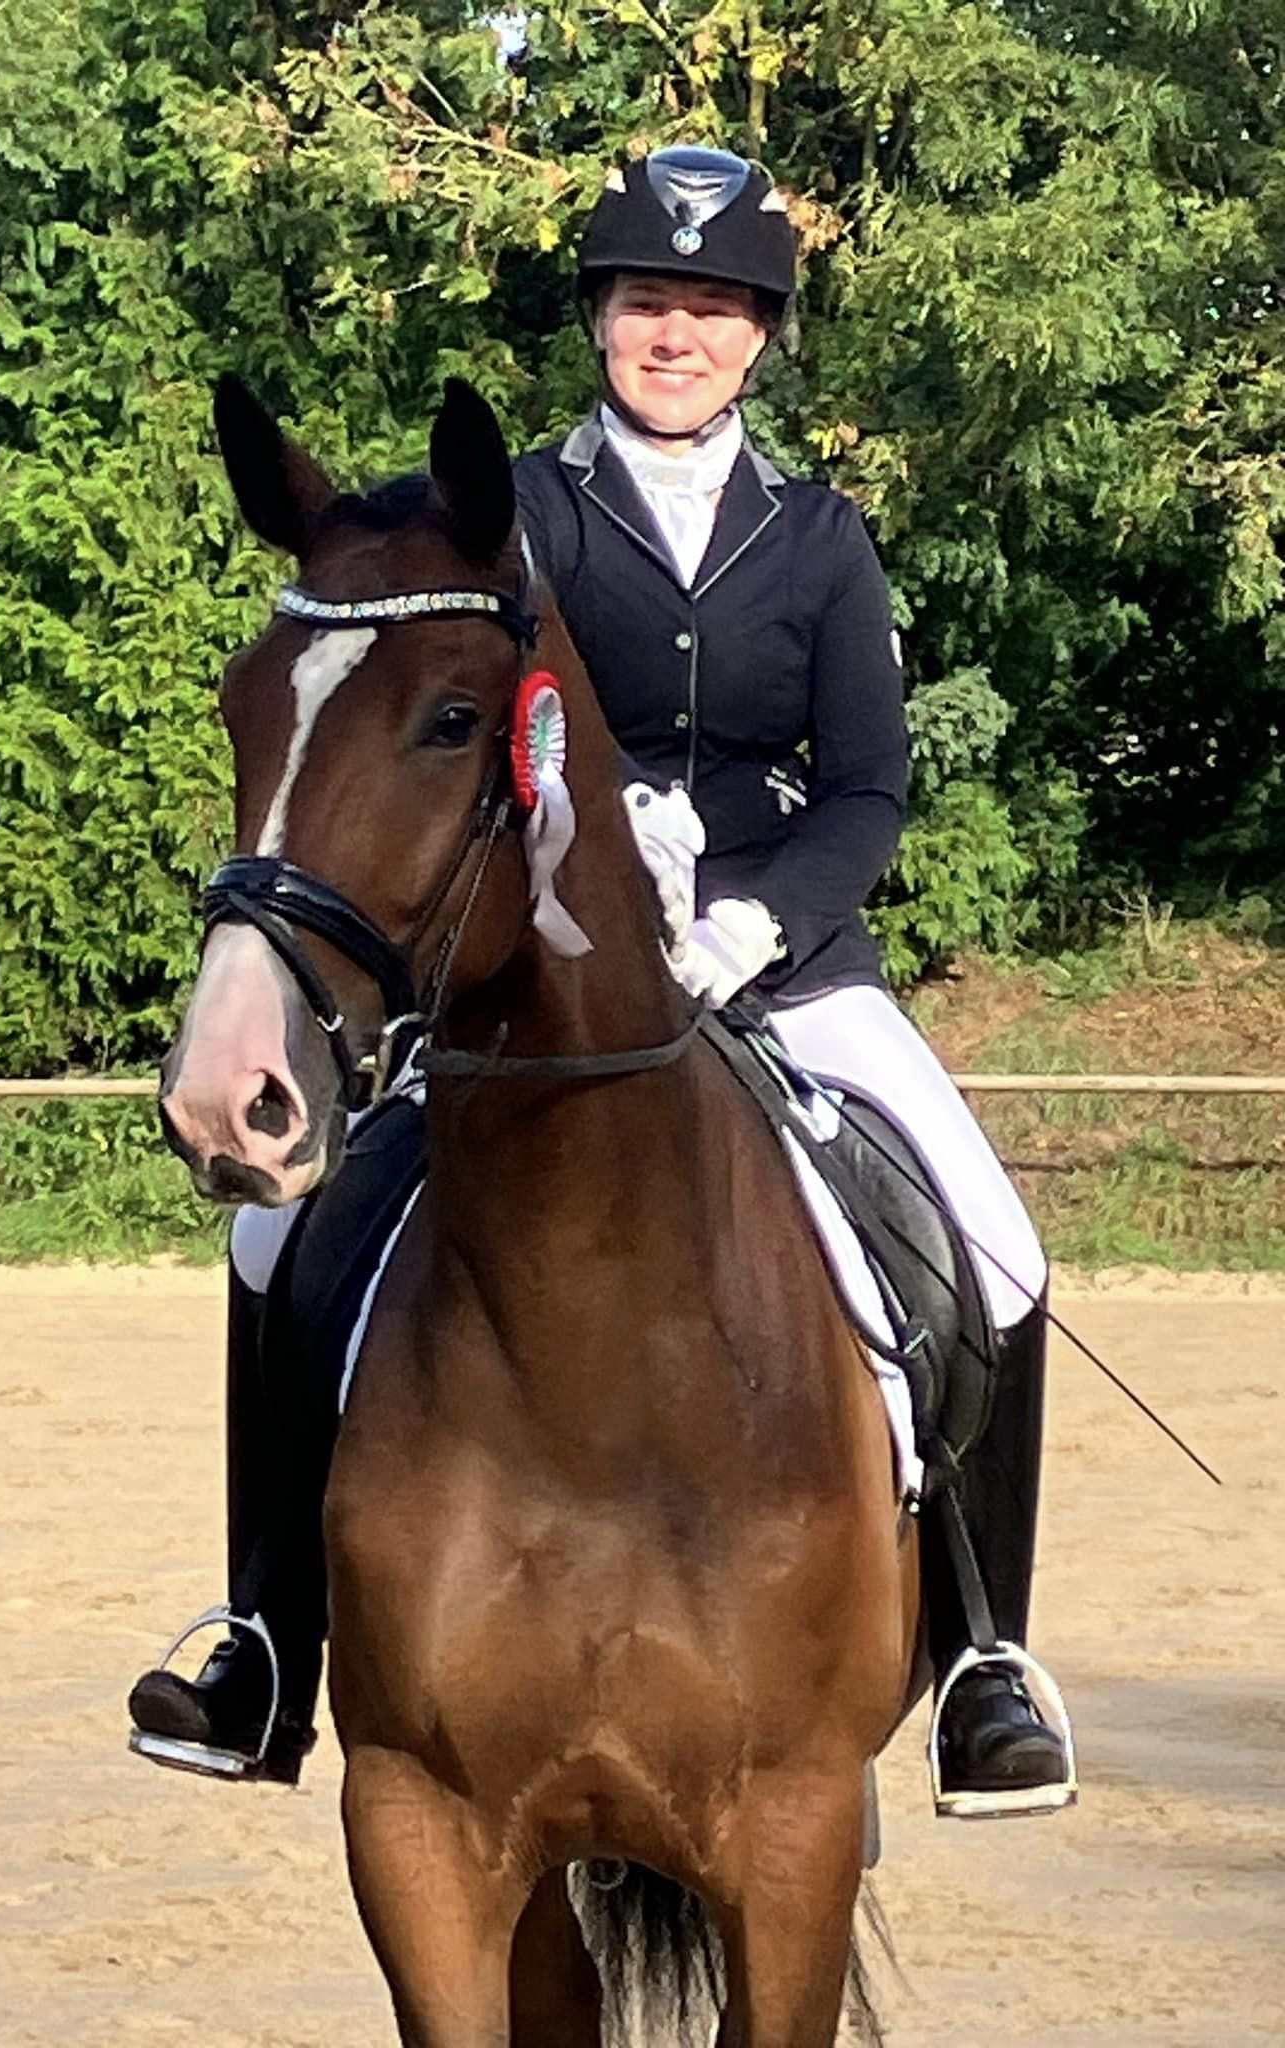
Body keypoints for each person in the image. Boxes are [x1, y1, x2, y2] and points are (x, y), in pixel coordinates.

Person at [127, 145, 1075, 1818]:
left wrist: (750, 924)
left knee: (998, 1238)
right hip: (552, 971)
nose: (676, 333)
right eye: (648, 301)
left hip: (784, 969)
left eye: (712, 308)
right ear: (602, 320)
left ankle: (988, 1653)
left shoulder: (822, 539)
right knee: (277, 1229)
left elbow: (865, 788)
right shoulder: (519, 521)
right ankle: (262, 1630)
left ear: (763, 335)